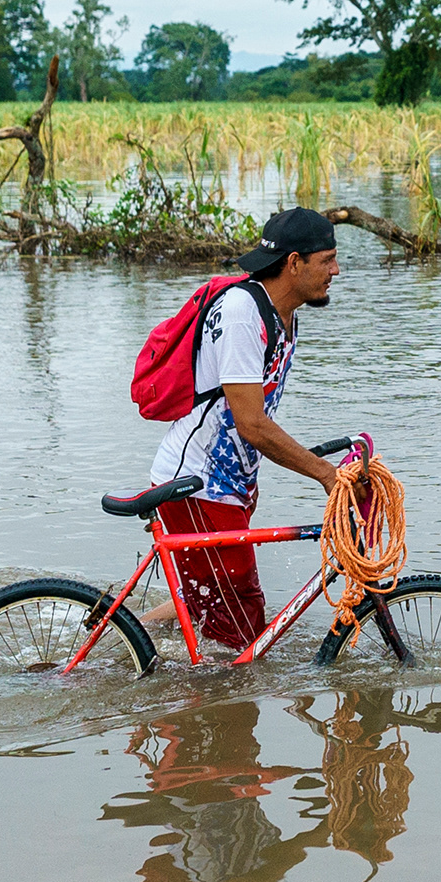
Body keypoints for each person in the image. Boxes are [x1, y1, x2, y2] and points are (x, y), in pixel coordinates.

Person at [145, 206, 343, 648]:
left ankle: (124, 640)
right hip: (196, 486)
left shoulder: (284, 314)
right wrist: (325, 474)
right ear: (294, 263)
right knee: (242, 633)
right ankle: (186, 704)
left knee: (208, 604)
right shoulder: (241, 312)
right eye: (327, 259)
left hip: (227, 488)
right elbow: (251, 423)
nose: (336, 270)